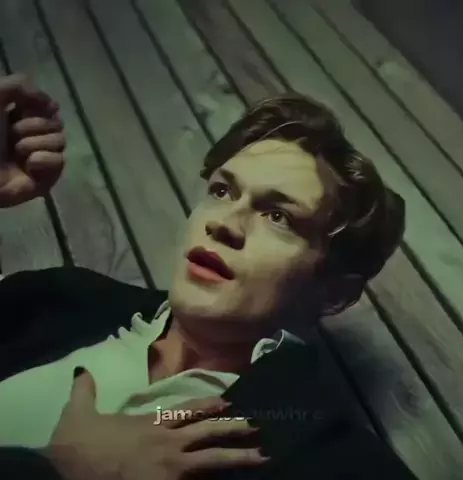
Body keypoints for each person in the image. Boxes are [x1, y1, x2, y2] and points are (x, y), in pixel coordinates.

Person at [0, 74, 417, 479]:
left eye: (279, 216)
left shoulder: (330, 456)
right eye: (222, 191)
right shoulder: (60, 298)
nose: (224, 223)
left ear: (334, 292)